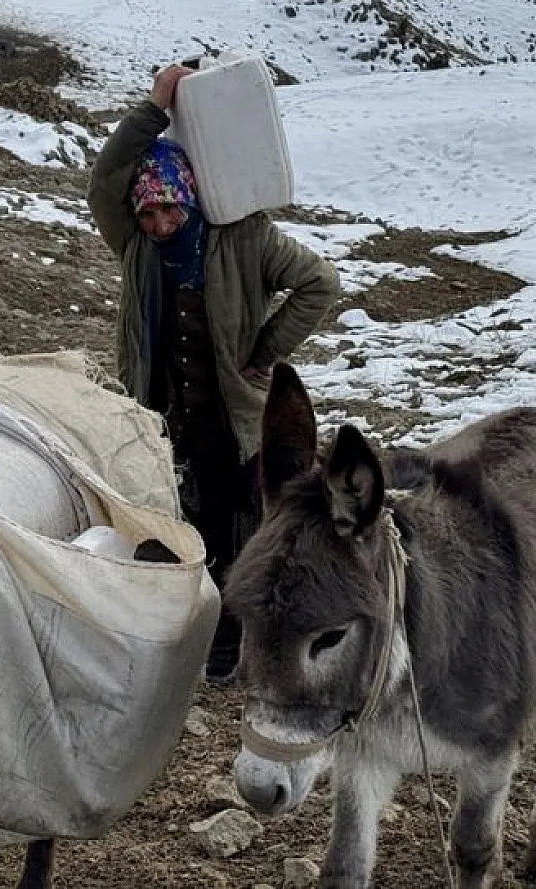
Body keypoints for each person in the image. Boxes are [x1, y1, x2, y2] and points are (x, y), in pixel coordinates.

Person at [89, 62, 341, 681]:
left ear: (191, 198)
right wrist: (154, 108)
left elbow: (318, 283)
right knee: (178, 523)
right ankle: (184, 634)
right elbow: (103, 185)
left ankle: (234, 641)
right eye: (148, 214)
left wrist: (264, 353)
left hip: (234, 416)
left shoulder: (246, 239)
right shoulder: (138, 249)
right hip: (166, 411)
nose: (160, 224)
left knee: (240, 526)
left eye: (169, 210)